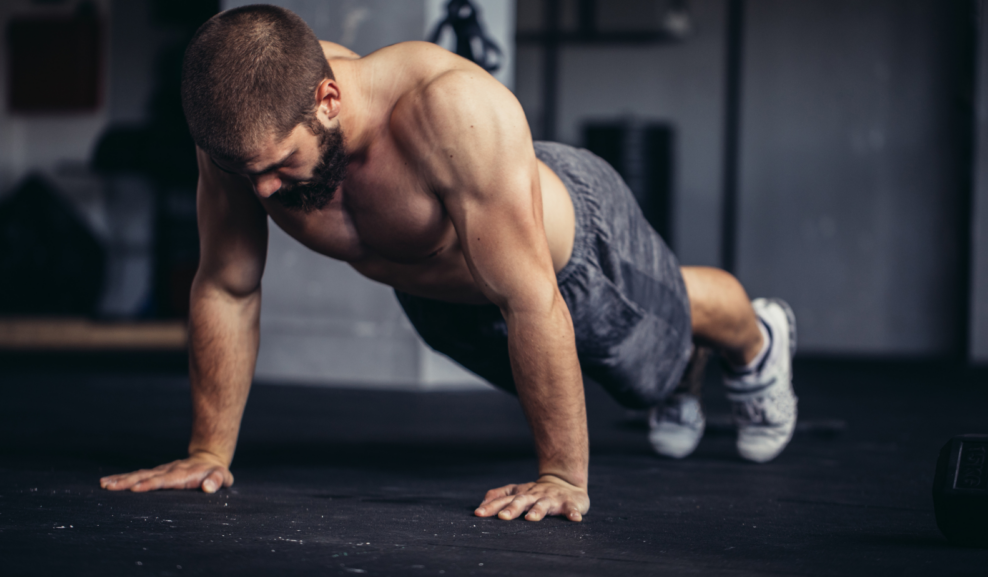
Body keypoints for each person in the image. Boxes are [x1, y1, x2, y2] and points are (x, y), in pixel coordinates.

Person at [99, 4, 798, 523]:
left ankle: (756, 339)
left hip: (574, 250)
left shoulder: (448, 111)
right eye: (249, 173)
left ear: (329, 100)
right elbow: (226, 284)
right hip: (445, 301)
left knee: (662, 334)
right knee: (634, 376)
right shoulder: (246, 135)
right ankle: (675, 375)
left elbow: (532, 299)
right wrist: (207, 453)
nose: (263, 193)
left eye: (281, 167)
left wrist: (560, 475)